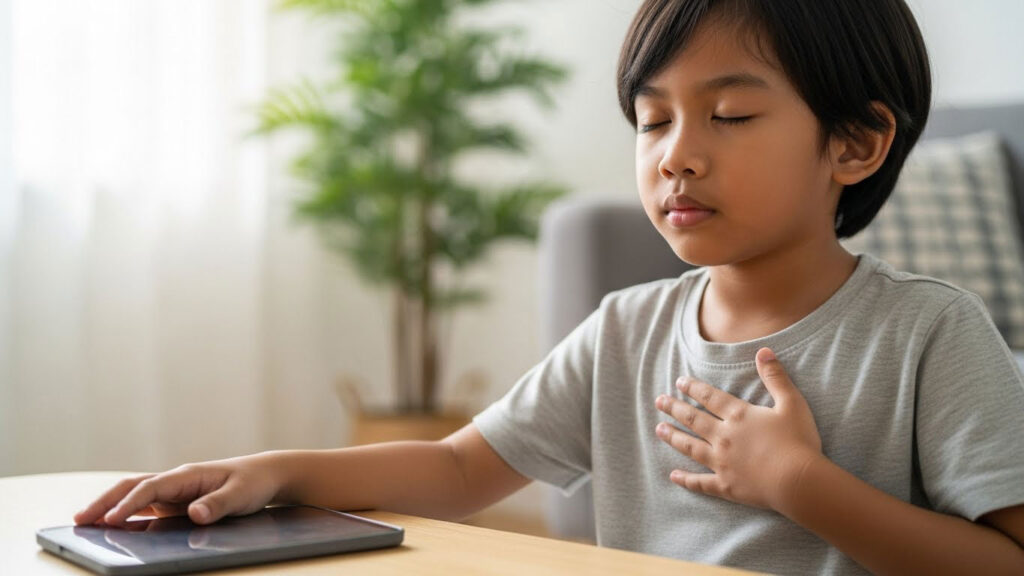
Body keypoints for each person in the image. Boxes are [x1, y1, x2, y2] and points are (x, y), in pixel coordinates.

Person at [76, 0, 1024, 573]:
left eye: (730, 115)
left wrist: (799, 485)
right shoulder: (628, 328)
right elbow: (459, 469)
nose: (678, 156)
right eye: (652, 123)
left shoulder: (930, 334)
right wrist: (277, 471)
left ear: (854, 143)